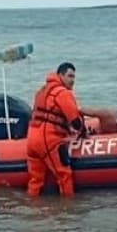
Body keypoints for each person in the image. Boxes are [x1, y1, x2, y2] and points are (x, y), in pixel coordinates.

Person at [26, 62, 84, 197]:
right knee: (64, 175)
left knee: (35, 180)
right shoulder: (62, 93)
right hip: (49, 140)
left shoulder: (41, 91)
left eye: (74, 77)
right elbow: (75, 121)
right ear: (60, 75)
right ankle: (68, 207)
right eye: (70, 76)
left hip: (32, 139)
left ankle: (32, 206)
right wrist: (81, 130)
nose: (73, 80)